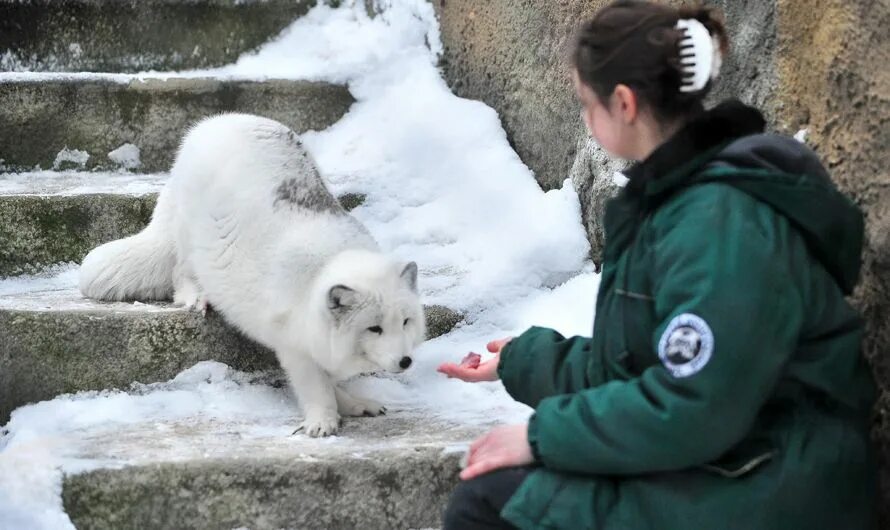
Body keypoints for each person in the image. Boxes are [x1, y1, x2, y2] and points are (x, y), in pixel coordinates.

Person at [436, 1, 878, 529]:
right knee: (498, 490)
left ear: (623, 103)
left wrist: (540, 436)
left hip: (778, 484)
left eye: (587, 104)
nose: (586, 118)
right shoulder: (675, 201)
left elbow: (698, 404)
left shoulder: (721, 221)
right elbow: (641, 366)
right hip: (734, 460)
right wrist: (523, 361)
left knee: (492, 504)